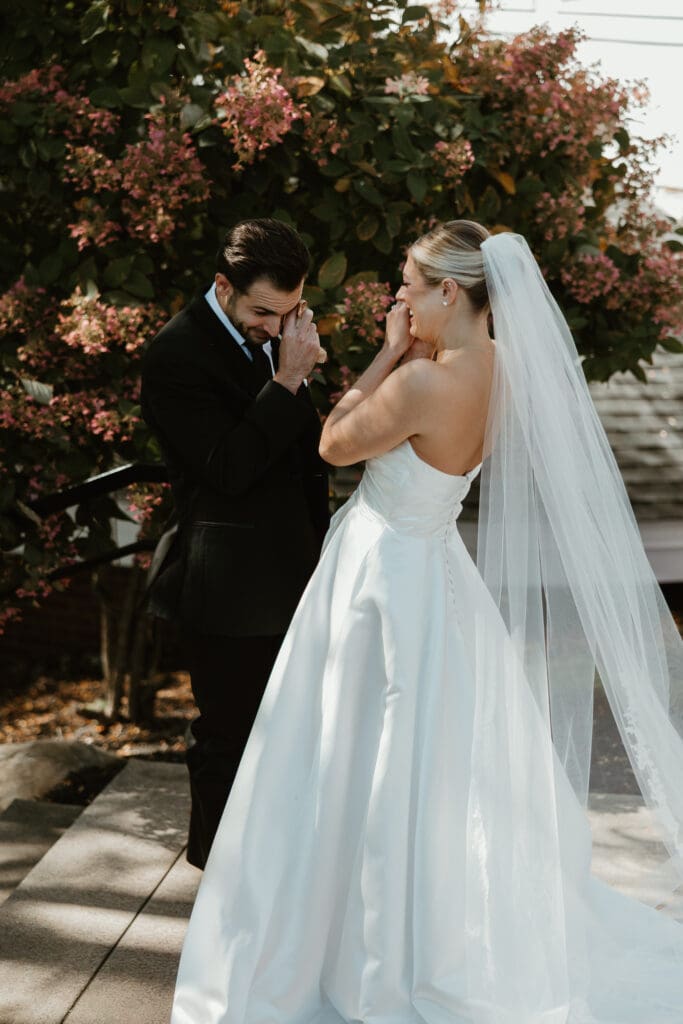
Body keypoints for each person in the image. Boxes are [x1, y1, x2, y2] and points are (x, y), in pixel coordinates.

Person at [171, 220, 683, 1023]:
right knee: (423, 764)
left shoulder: (418, 384)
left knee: (353, 756)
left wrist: (384, 356)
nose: (398, 296)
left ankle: (345, 945)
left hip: (383, 582)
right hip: (437, 569)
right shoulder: (502, 369)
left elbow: (335, 446)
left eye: (409, 282)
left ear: (450, 292)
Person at [140, 218, 329, 870]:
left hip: (295, 569)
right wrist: (286, 383)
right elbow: (225, 469)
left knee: (289, 735)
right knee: (227, 737)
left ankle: (273, 879)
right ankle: (217, 883)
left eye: (289, 311)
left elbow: (304, 459)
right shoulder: (176, 354)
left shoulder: (275, 340)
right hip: (224, 583)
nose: (276, 327)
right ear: (222, 285)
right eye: (262, 312)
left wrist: (299, 381)